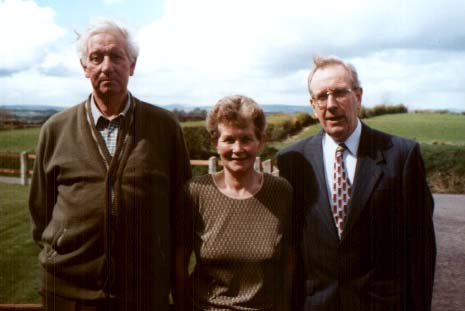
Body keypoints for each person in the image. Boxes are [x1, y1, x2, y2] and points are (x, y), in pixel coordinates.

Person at [28, 19, 192, 310]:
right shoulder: (55, 129)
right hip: (66, 294)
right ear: (84, 67)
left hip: (143, 294)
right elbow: (41, 213)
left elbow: (181, 214)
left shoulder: (165, 128)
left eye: (116, 56)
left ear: (132, 64)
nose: (106, 66)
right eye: (96, 57)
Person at [277, 55, 436, 310]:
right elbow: (290, 247)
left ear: (358, 97)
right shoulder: (291, 162)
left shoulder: (402, 155)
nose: (330, 104)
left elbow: (421, 250)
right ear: (312, 105)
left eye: (340, 93)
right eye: (321, 97)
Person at [184, 95, 293, 310]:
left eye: (246, 139)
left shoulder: (281, 192)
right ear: (215, 142)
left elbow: (290, 262)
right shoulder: (195, 193)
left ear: (260, 142)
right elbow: (178, 265)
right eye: (229, 139)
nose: (237, 149)